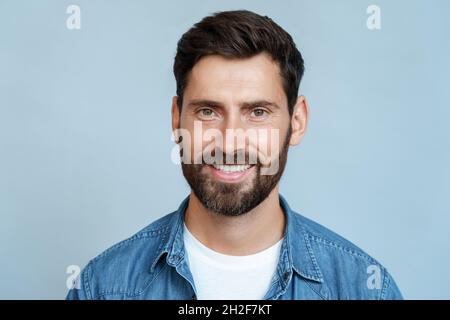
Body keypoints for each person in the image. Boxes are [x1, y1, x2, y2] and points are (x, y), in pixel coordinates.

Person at [66, 10, 402, 300]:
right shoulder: (102, 286)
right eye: (208, 111)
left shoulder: (363, 287)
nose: (229, 144)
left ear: (296, 122)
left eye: (257, 112)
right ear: (176, 117)